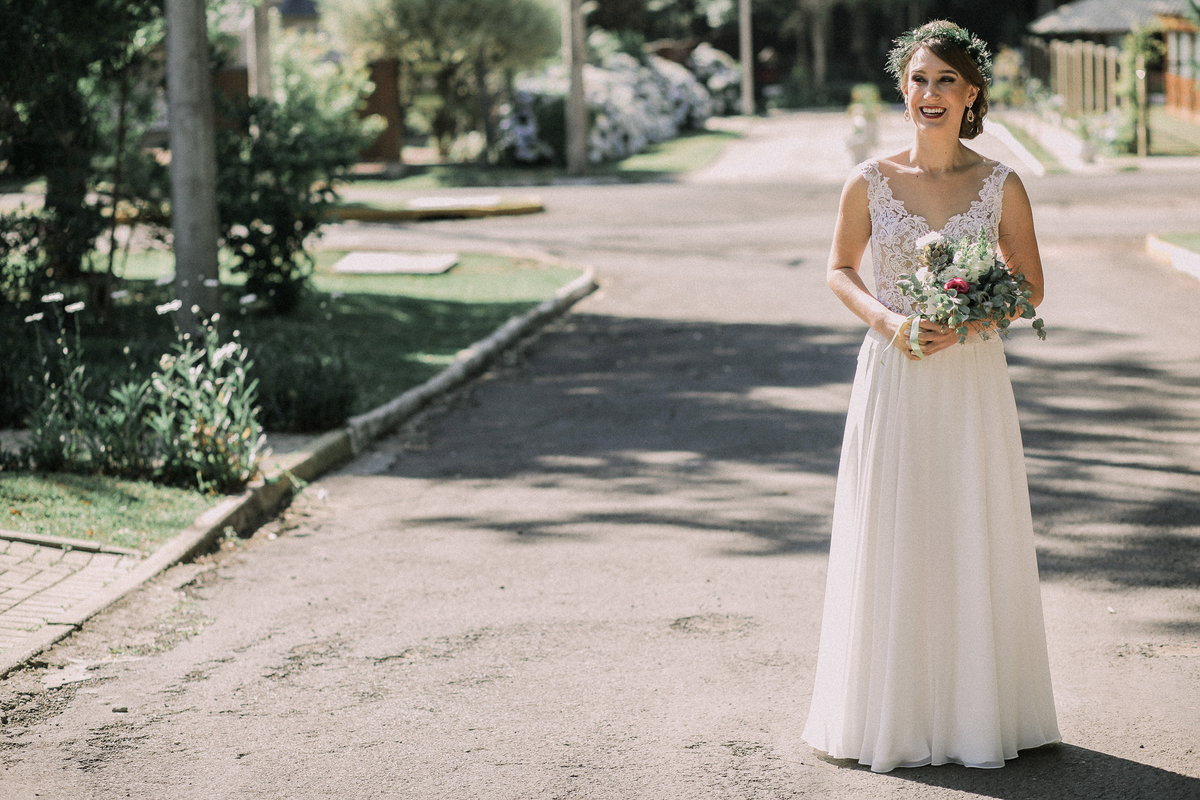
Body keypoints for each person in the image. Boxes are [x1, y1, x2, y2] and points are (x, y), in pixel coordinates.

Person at [801, 20, 1061, 773]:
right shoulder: (869, 181)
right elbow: (840, 269)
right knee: (898, 526)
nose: (931, 93)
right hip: (894, 375)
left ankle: (984, 711)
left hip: (970, 378)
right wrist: (888, 320)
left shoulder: (1001, 185)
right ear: (902, 88)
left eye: (946, 80)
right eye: (919, 79)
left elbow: (1032, 287)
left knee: (970, 521)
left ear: (972, 93)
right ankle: (893, 713)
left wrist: (970, 317)